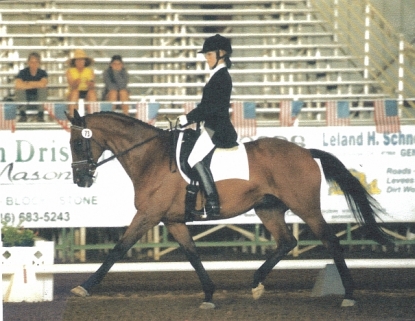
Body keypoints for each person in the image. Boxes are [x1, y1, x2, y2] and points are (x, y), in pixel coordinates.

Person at [177, 34, 238, 219]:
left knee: (193, 158)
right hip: (211, 125)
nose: (206, 57)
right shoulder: (217, 75)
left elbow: (210, 107)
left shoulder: (221, 77)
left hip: (216, 128)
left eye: (209, 54)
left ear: (222, 54)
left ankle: (212, 202)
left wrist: (187, 118)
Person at [15, 52, 48, 122]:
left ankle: (40, 115)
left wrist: (27, 83)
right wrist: (36, 84)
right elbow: (18, 85)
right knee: (19, 90)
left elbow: (43, 84)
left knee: (43, 89)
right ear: (28, 62)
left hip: (38, 98)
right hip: (25, 98)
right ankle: (23, 115)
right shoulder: (22, 72)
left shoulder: (42, 73)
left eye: (36, 62)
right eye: (32, 62)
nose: (34, 64)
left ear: (39, 63)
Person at [66, 49, 97, 116]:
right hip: (73, 91)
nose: (80, 62)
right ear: (75, 62)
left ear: (85, 61)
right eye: (78, 60)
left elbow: (92, 86)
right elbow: (72, 85)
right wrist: (76, 82)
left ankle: (93, 117)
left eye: (82, 60)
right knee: (75, 92)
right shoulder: (70, 71)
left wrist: (90, 84)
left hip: (86, 91)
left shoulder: (89, 71)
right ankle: (73, 116)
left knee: (92, 93)